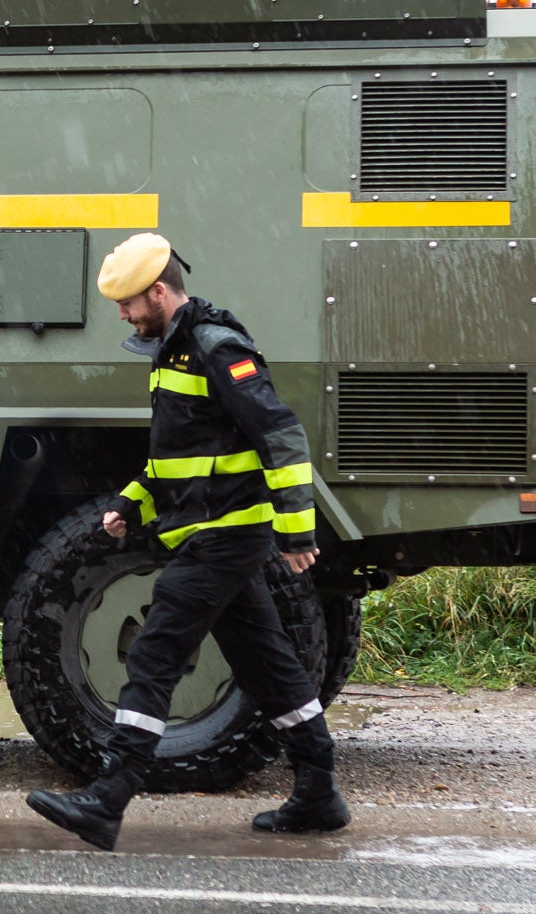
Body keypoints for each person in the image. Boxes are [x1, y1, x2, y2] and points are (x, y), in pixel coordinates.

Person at [26, 232, 349, 850]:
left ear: (158, 291)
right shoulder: (172, 354)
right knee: (268, 664)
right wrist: (133, 502)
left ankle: (109, 796)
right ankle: (319, 789)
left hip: (225, 537)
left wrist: (296, 526)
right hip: (208, 532)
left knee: (152, 654)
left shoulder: (214, 347)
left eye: (127, 303)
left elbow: (280, 435)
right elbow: (182, 458)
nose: (121, 315)